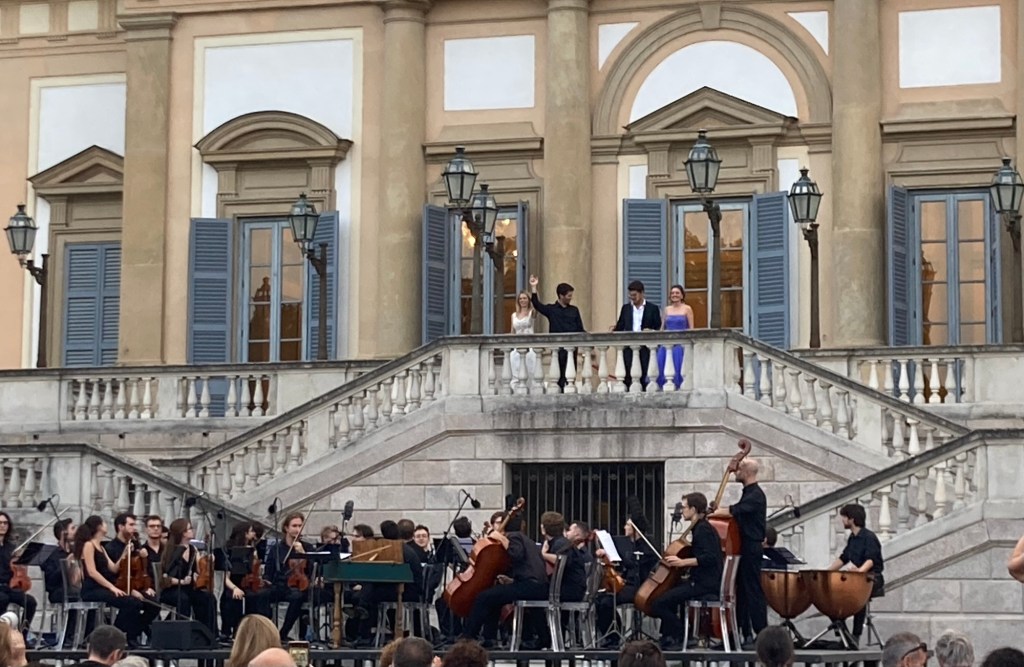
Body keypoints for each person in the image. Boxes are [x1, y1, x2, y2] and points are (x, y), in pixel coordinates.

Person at [459, 511, 547, 648]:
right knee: (494, 596)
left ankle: (468, 638)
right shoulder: (526, 539)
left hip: (529, 586)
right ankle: (490, 638)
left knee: (483, 597)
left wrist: (503, 539)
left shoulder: (514, 536)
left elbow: (516, 554)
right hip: (537, 586)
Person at [650, 493, 723, 651]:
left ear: (694, 509)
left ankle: (685, 635)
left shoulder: (703, 529)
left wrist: (683, 562)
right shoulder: (701, 527)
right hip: (701, 581)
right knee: (670, 593)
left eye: (684, 507)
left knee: (658, 603)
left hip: (704, 584)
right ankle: (669, 637)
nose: (682, 510)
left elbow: (710, 557)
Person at [709, 458, 767, 647]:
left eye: (739, 469)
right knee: (740, 591)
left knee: (752, 589)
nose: (735, 472)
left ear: (748, 472)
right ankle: (740, 633)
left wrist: (714, 512)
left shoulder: (756, 495)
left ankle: (761, 632)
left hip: (751, 547)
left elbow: (736, 511)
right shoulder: (748, 493)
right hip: (743, 546)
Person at [74, 516, 152, 647]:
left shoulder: (101, 547)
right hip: (92, 589)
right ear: (98, 527)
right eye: (104, 522)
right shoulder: (89, 545)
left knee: (135, 602)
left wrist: (124, 554)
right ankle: (115, 636)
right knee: (130, 603)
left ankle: (122, 635)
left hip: (103, 588)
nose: (106, 525)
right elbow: (92, 572)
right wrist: (112, 587)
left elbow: (114, 569)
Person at [595, 498, 659, 647]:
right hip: (627, 584)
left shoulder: (647, 545)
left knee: (607, 601)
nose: (624, 527)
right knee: (601, 598)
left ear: (635, 529)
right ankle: (612, 633)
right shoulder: (626, 544)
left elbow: (638, 565)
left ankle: (613, 638)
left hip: (642, 586)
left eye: (627, 525)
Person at [828, 503, 884, 645]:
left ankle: (856, 636)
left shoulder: (869, 537)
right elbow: (843, 558)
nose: (843, 520)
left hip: (873, 578)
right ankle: (844, 634)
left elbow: (871, 559)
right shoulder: (853, 538)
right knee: (831, 597)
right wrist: (826, 572)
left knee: (859, 596)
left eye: (844, 517)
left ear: (852, 519)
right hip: (858, 578)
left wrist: (859, 572)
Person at [159, 519, 218, 635]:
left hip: (189, 588)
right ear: (182, 532)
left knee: (208, 598)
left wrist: (207, 562)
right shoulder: (171, 551)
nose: (192, 531)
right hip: (172, 589)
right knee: (183, 599)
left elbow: (198, 569)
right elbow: (165, 578)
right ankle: (183, 634)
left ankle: (207, 633)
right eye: (189, 528)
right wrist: (181, 582)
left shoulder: (193, 549)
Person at [529, 274, 585, 390]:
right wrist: (534, 288)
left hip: (572, 347)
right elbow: (537, 304)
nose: (570, 298)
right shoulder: (552, 310)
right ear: (561, 296)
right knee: (558, 374)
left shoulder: (574, 310)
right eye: (568, 296)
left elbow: (580, 328)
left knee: (571, 374)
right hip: (558, 349)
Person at [264, 512, 313, 642]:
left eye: (300, 526)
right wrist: (266, 581)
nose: (297, 529)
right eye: (294, 526)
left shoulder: (307, 547)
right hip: (280, 585)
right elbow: (269, 570)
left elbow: (313, 571)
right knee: (260, 595)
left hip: (299, 587)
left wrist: (303, 554)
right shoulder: (277, 548)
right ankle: (266, 633)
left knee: (297, 596)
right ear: (286, 528)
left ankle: (283, 633)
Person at [221, 523, 273, 638]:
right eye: (251, 531)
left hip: (249, 583)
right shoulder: (230, 550)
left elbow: (256, 572)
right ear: (244, 533)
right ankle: (232, 630)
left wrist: (254, 558)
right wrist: (235, 588)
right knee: (232, 598)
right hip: (233, 584)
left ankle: (256, 629)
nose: (254, 534)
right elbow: (225, 577)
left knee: (261, 595)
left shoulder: (253, 549)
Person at [613, 280, 661, 390]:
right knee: (628, 373)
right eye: (630, 295)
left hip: (646, 348)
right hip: (629, 347)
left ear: (642, 293)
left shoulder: (652, 309)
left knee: (645, 373)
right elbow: (621, 325)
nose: (632, 298)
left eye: (634, 295)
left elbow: (658, 326)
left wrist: (650, 331)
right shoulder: (626, 309)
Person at [0, 512, 38, 632]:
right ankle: (3, 636)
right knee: (3, 599)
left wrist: (20, 559)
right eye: (0, 523)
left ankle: (23, 634)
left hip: (10, 587)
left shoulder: (11, 547)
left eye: (5, 523)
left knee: (31, 602)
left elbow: (17, 567)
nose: (3, 526)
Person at [656, 285, 693, 389]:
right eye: (672, 293)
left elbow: (691, 328)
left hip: (680, 346)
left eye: (677, 293)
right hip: (667, 345)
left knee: (678, 370)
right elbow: (662, 328)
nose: (674, 295)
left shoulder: (687, 309)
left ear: (682, 295)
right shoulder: (667, 309)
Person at [509, 291, 537, 389]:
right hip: (517, 347)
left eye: (525, 298)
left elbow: (536, 304)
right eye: (520, 298)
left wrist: (534, 288)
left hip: (529, 347)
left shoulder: (531, 312)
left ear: (528, 300)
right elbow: (512, 331)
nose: (522, 300)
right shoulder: (513, 315)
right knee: (516, 370)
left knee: (530, 370)